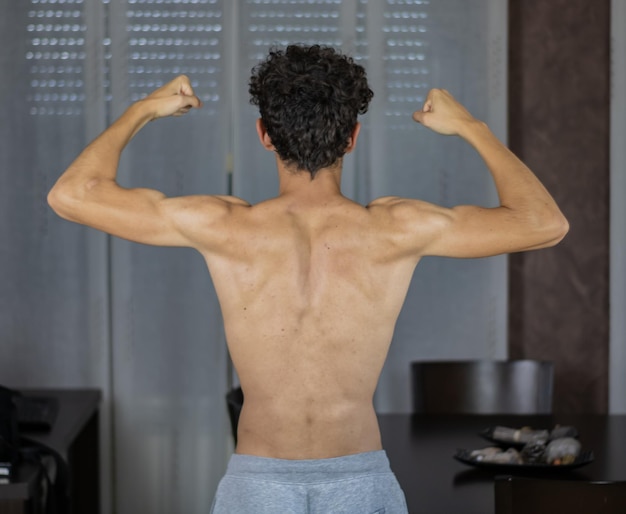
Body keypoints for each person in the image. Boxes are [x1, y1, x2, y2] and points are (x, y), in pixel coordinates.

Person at [48, 44, 568, 513]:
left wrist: (144, 110)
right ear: (352, 138)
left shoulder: (223, 225)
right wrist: (470, 126)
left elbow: (72, 194)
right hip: (360, 482)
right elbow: (544, 224)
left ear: (264, 135)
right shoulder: (397, 229)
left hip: (258, 486)